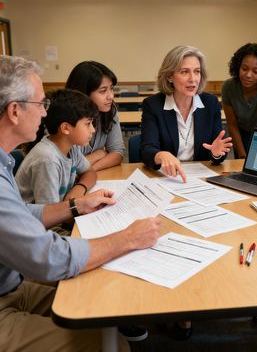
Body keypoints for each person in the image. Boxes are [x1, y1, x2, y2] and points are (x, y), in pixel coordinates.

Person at [0, 55, 161, 351]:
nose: (45, 112)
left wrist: (76, 206)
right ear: (14, 111)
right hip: (5, 299)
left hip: (12, 284)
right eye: (40, 104)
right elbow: (47, 256)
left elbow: (21, 214)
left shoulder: (4, 161)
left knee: (101, 300)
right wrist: (127, 238)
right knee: (110, 343)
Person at [140, 45, 232, 183]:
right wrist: (161, 155)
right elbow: (146, 150)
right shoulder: (153, 105)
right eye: (184, 72)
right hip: (167, 178)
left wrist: (216, 153)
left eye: (197, 72)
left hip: (201, 179)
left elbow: (217, 149)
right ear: (170, 76)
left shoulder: (210, 103)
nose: (193, 79)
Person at [16, 89, 98, 205]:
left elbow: (90, 172)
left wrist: (79, 188)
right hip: (33, 221)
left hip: (56, 214)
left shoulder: (71, 147)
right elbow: (49, 213)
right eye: (87, 124)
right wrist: (80, 206)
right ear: (65, 128)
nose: (93, 130)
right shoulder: (47, 160)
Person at [65, 61, 125, 171]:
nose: (111, 96)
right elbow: (68, 167)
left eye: (111, 88)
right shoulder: (66, 119)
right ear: (84, 93)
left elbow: (118, 153)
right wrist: (99, 154)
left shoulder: (110, 111)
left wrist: (90, 170)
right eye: (103, 91)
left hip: (90, 178)